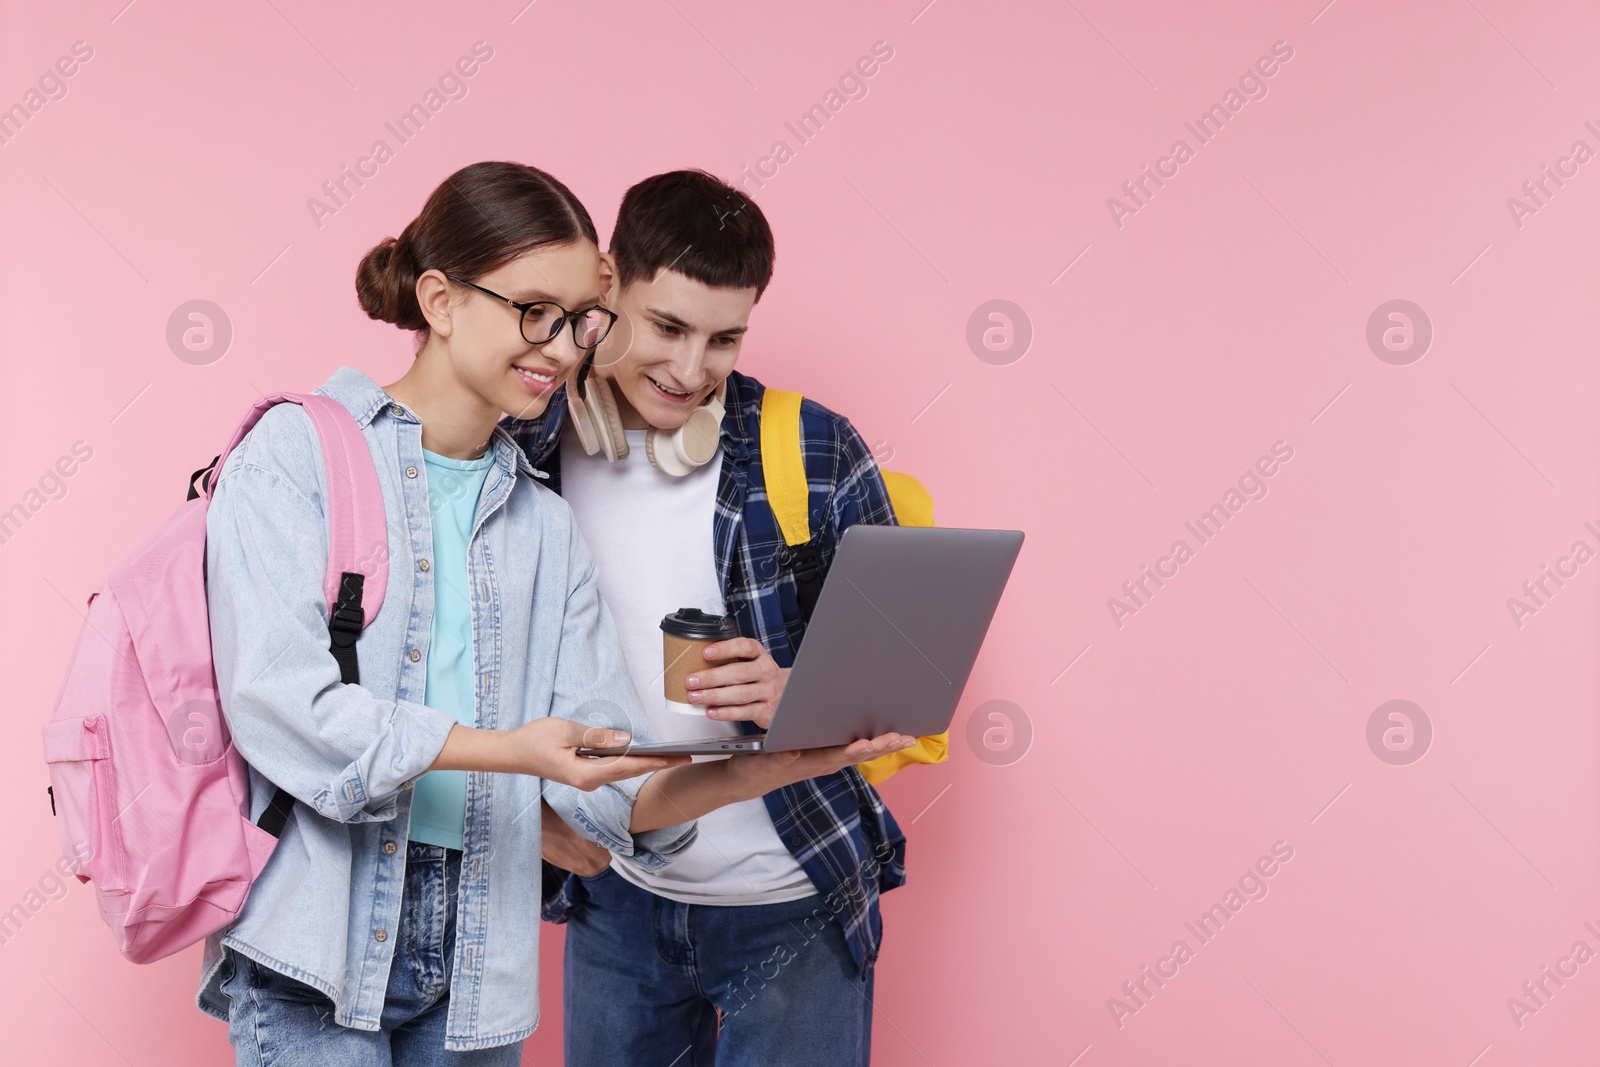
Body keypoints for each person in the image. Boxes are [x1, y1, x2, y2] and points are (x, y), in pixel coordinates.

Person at [193, 161, 917, 1065]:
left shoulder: (552, 515)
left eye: (576, 323)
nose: (565, 347)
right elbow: (288, 707)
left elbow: (625, 782)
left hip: (565, 935)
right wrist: (510, 767)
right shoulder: (364, 451)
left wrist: (795, 739)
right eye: (660, 326)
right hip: (391, 926)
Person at [503, 169, 925, 1067]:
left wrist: (804, 693)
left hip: (794, 898)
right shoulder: (531, 447)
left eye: (724, 338)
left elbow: (902, 691)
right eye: (667, 327)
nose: (691, 370)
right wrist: (523, 815)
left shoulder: (815, 445)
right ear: (608, 289)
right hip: (616, 895)